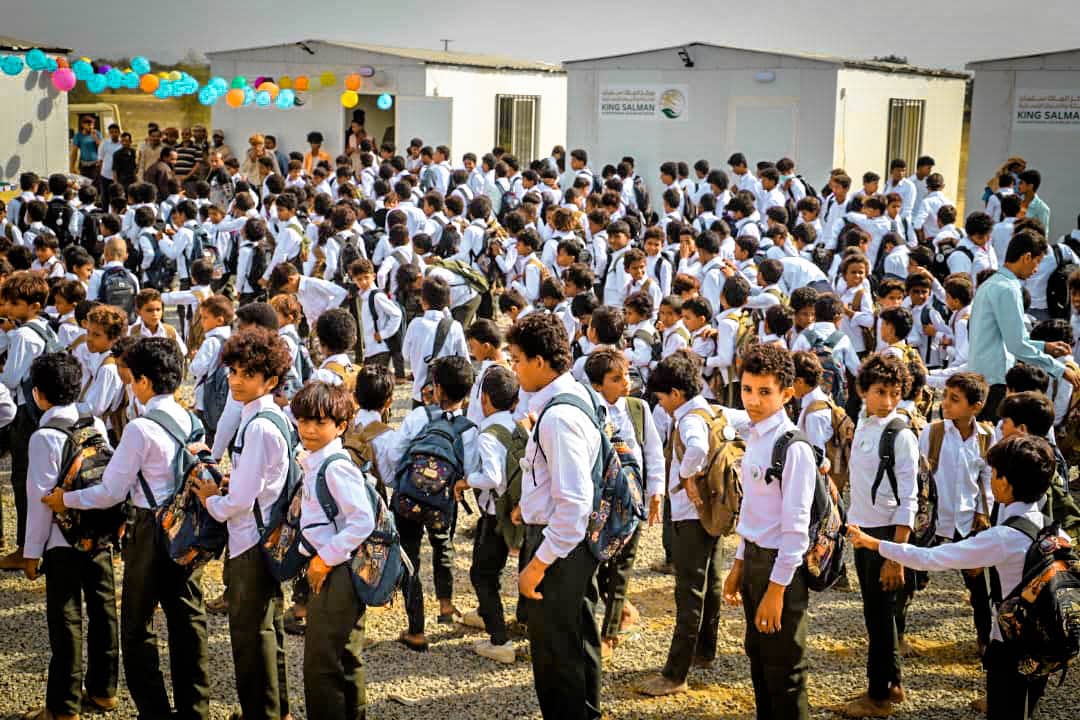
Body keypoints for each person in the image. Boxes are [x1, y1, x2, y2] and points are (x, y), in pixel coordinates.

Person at [43, 337, 211, 719]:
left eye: (132, 379)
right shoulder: (190, 419)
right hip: (186, 526)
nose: (130, 385)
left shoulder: (140, 428)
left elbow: (110, 492)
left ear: (145, 381)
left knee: (137, 625)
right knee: (188, 620)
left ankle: (154, 710)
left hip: (149, 530)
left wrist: (66, 500)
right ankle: (195, 710)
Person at [847, 433, 1058, 720]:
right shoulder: (1052, 528)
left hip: (1010, 646)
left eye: (995, 474)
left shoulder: (1004, 537)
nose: (991, 480)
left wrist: (875, 544)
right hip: (1045, 639)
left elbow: (931, 558)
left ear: (1006, 484)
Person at [191, 328, 292, 720]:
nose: (236, 380)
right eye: (233, 371)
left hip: (250, 540)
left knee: (250, 637)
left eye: (248, 374)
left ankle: (260, 713)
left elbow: (239, 503)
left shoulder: (259, 426)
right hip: (267, 534)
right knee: (268, 629)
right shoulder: (271, 417)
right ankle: (277, 710)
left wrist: (209, 498)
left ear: (270, 379)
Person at [508, 312, 603, 720]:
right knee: (578, 641)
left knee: (557, 657)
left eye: (517, 360)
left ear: (540, 362)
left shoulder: (559, 417)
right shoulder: (575, 394)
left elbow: (574, 505)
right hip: (569, 543)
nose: (513, 369)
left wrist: (537, 565)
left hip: (560, 547)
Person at [722, 343, 816, 720]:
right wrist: (740, 564)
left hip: (781, 570)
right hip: (755, 561)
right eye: (747, 389)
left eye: (764, 391)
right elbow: (752, 509)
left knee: (786, 670)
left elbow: (796, 531)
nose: (753, 400)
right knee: (759, 659)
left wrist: (776, 591)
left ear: (787, 394)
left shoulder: (792, 447)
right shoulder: (756, 436)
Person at [838, 354, 918, 718]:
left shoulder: (901, 435)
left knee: (881, 616)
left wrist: (895, 555)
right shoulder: (864, 424)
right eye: (880, 391)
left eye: (894, 392)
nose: (887, 400)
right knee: (878, 612)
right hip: (863, 531)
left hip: (886, 535)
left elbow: (909, 498)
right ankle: (893, 682)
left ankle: (878, 696)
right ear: (863, 391)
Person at [637, 351, 721, 696]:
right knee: (710, 582)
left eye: (661, 397)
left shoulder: (688, 420)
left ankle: (675, 674)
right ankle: (705, 650)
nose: (661, 403)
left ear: (676, 393)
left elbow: (697, 449)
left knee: (689, 591)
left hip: (691, 514)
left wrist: (686, 476)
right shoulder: (710, 409)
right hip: (711, 510)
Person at [291, 381, 375, 720]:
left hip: (337, 569)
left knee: (322, 665)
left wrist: (324, 560)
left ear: (340, 426)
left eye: (320, 422)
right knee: (345, 657)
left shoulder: (335, 466)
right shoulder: (317, 460)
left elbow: (363, 520)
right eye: (303, 420)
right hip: (337, 566)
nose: (309, 429)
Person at [969, 230, 1079, 421]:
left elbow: (1007, 338)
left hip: (981, 377)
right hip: (995, 383)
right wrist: (1060, 370)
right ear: (1027, 257)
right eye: (1037, 262)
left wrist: (1044, 346)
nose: (1036, 270)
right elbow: (1017, 345)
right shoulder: (1008, 289)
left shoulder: (991, 283)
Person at [0, 271, 58, 570]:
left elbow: (11, 379)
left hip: (27, 414)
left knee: (23, 481)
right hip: (46, 411)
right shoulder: (46, 327)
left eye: (14, 303)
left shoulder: (24, 335)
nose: (8, 308)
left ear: (33, 305)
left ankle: (26, 548)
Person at [1017, 169, 1050, 235]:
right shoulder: (1016, 201)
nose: (1018, 186)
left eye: (1021, 183)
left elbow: (1043, 234)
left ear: (1030, 186)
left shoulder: (1042, 208)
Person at [71, 115, 102, 181]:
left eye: (92, 125)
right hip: (83, 166)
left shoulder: (97, 134)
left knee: (95, 184)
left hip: (95, 165)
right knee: (84, 183)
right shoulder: (78, 136)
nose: (91, 127)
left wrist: (96, 138)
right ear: (83, 125)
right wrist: (72, 167)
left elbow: (101, 149)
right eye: (88, 125)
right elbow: (74, 152)